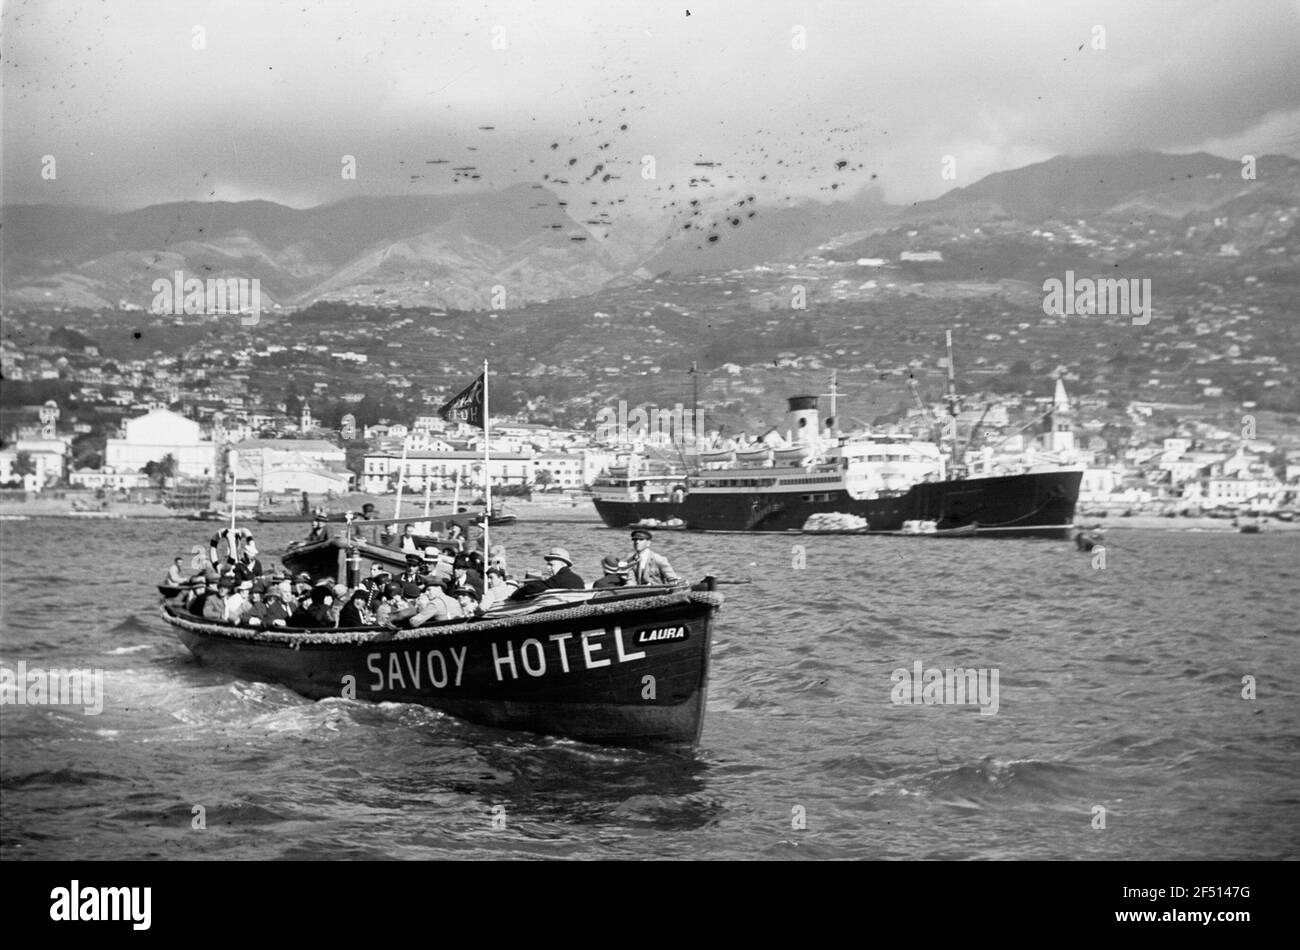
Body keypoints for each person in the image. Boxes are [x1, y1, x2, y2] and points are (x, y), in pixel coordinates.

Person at [508, 548, 585, 600]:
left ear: (563, 564)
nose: (548, 568)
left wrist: (515, 594)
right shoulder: (579, 579)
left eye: (551, 565)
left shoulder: (558, 579)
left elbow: (532, 589)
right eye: (548, 565)